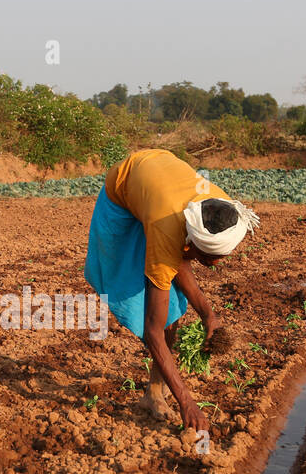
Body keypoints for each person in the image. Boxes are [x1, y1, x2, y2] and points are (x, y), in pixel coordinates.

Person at [84, 149, 260, 434]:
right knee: (148, 311)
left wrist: (209, 316)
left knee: (171, 309)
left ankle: (154, 392)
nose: (214, 266)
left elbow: (179, 258)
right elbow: (154, 330)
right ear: (191, 243)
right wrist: (187, 402)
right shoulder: (169, 231)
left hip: (162, 181)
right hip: (123, 191)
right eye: (209, 259)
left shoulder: (220, 205)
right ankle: (160, 391)